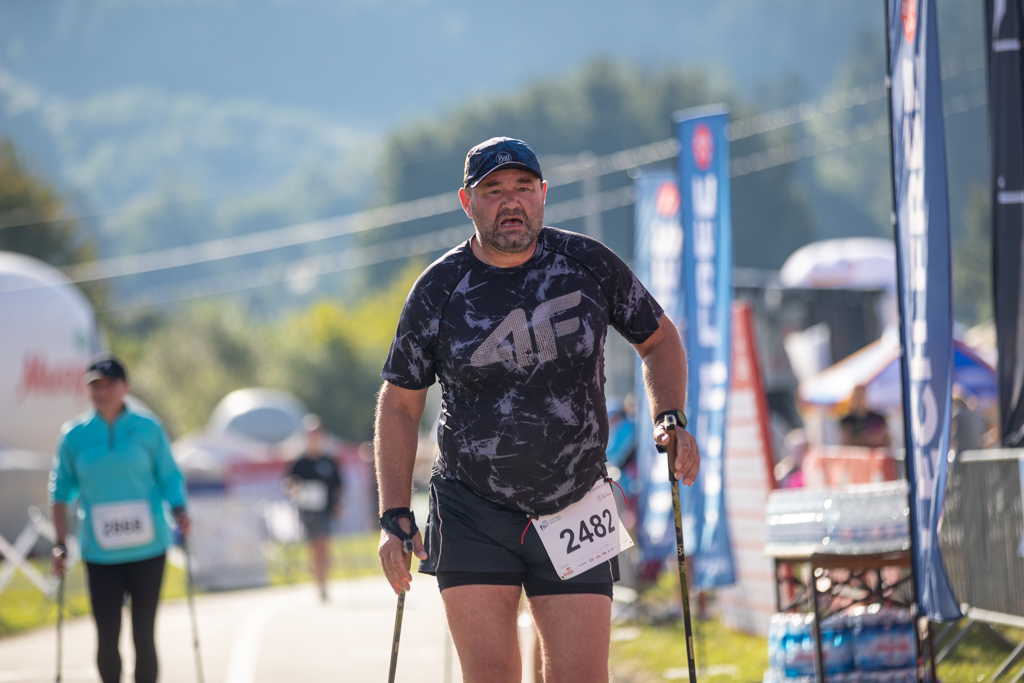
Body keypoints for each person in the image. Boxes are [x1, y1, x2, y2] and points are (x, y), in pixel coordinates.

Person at [374, 137, 700, 683]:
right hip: (472, 509)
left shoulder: (588, 264)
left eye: (523, 187)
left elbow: (660, 341)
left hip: (577, 501)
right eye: (493, 190)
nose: (511, 202)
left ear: (543, 193)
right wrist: (394, 516)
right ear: (467, 202)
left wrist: (669, 416)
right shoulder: (438, 289)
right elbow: (400, 404)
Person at [49, 358, 189, 683]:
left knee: (144, 634)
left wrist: (179, 509)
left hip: (148, 549)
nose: (102, 392)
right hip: (100, 554)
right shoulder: (74, 435)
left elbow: (169, 476)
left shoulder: (149, 428)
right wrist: (60, 543)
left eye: (109, 384)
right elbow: (60, 490)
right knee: (107, 635)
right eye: (95, 385)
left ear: (125, 387)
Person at [286, 414, 343, 601]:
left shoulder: (329, 461)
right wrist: (294, 488)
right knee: (314, 546)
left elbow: (338, 486)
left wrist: (338, 504)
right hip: (307, 510)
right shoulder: (299, 462)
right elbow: (289, 483)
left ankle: (324, 581)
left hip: (325, 510)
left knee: (323, 544)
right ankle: (319, 582)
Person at [840, 384, 891, 449]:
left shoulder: (877, 418)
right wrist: (866, 439)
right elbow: (846, 443)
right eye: (858, 396)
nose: (860, 399)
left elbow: (888, 440)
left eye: (861, 395)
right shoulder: (847, 420)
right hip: (857, 454)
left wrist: (877, 439)